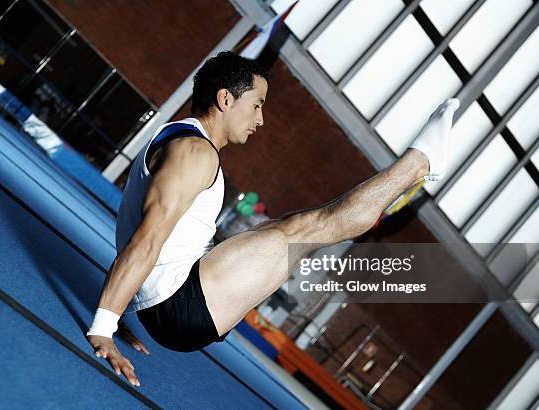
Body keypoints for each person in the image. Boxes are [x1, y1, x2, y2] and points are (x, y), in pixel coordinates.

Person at [85, 51, 460, 386]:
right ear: (226, 99)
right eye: (257, 105)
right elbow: (146, 240)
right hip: (181, 308)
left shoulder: (178, 136)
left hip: (171, 300)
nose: (261, 120)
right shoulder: (195, 154)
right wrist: (104, 325)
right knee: (308, 228)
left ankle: (420, 165)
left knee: (290, 225)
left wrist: (124, 311)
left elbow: (144, 234)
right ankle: (420, 163)